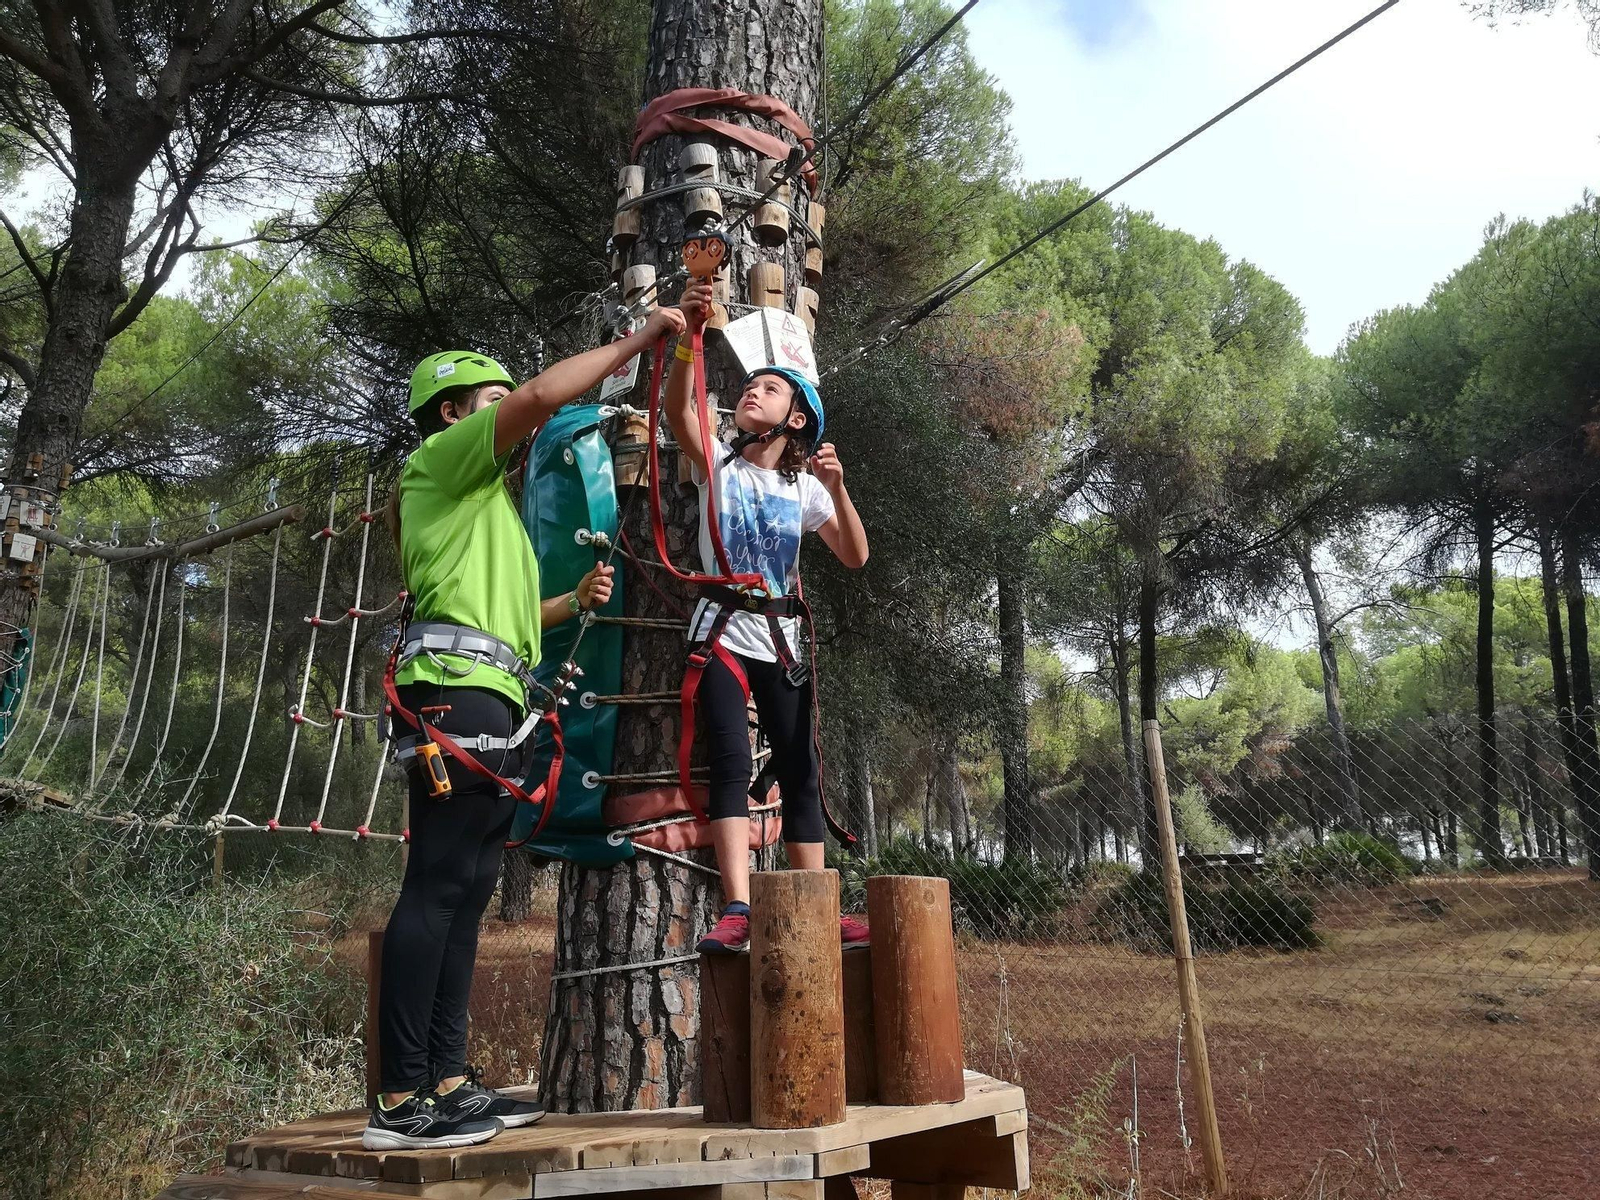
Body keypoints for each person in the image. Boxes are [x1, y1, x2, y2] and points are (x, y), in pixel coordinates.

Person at [365, 307, 687, 1151]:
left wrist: (564, 605)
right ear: (451, 412)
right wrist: (635, 345)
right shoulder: (440, 463)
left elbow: (500, 620)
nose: (514, 410)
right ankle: (400, 1098)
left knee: (467, 893)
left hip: (490, 693)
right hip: (453, 697)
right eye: (493, 400)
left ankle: (444, 1078)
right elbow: (546, 393)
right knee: (437, 885)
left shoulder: (485, 513)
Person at [664, 278, 871, 955]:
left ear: (797, 422)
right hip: (723, 631)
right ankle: (738, 906)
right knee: (728, 758)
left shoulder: (807, 486)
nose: (753, 390)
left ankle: (814, 903)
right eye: (751, 387)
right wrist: (687, 347)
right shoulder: (718, 465)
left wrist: (839, 492)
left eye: (770, 389)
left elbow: (854, 554)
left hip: (781, 639)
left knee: (798, 765)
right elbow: (679, 416)